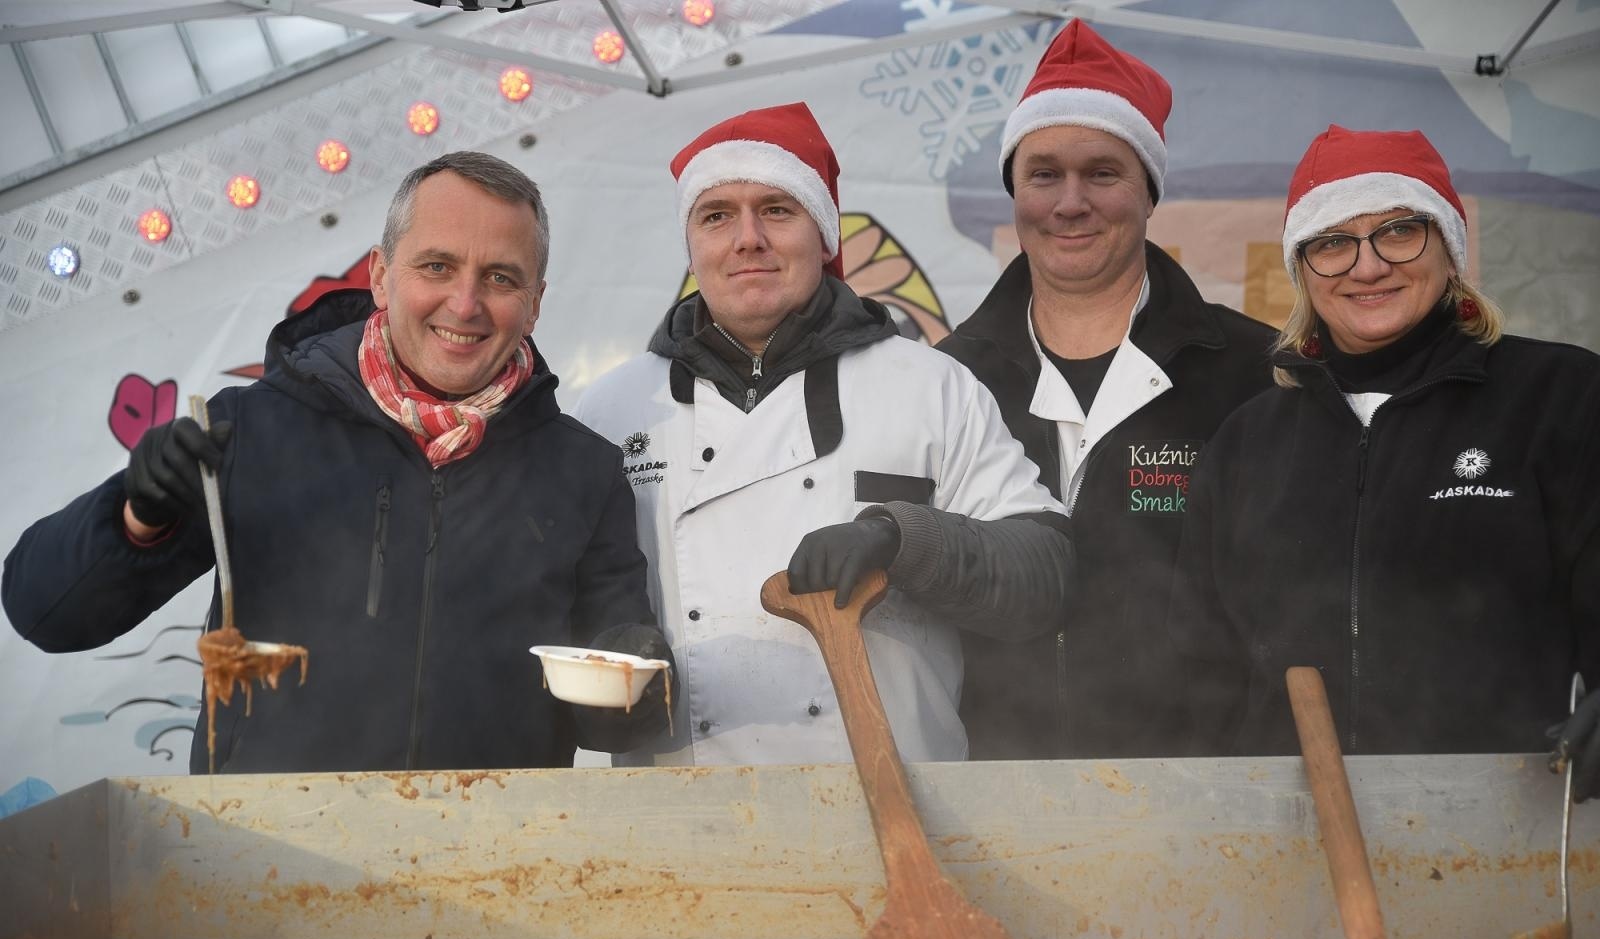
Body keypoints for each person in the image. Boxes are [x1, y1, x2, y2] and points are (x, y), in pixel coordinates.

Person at [3, 152, 670, 773]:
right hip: (263, 862)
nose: (464, 305)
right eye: (436, 266)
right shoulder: (251, 427)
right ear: (381, 276)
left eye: (499, 278)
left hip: (489, 872)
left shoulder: (583, 472)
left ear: (534, 303)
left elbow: (609, 726)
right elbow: (45, 613)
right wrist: (135, 519)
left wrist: (636, 680)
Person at [573, 102, 1074, 766]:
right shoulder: (612, 409)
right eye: (716, 215)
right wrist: (601, 671)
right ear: (692, 243)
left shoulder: (930, 387)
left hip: (899, 822)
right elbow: (550, 615)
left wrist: (903, 538)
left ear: (826, 234)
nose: (747, 237)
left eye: (777, 209)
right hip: (676, 838)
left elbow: (1047, 578)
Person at [1169, 125, 1600, 798]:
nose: (1367, 267)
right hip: (1285, 843)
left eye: (1399, 231)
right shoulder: (1247, 443)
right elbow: (1202, 665)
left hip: (1520, 828)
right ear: (1304, 270)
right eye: (1333, 243)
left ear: (1450, 248)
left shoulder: (1565, 399)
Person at [936, 20, 1275, 759]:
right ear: (1014, 192)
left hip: (1203, 794)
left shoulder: (1254, 371)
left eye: (1103, 173)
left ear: (1148, 192)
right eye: (1044, 174)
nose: (1070, 202)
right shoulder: (945, 379)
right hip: (992, 789)